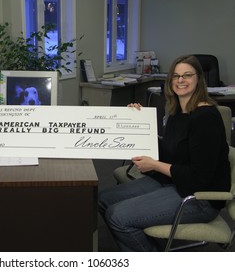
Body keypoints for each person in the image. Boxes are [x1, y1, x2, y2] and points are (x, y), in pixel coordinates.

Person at [98, 55, 231, 251]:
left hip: (199, 198)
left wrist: (155, 165)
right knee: (103, 199)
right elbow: (170, 152)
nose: (180, 80)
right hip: (173, 183)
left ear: (199, 79)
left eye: (187, 75)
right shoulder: (177, 111)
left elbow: (199, 178)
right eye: (175, 76)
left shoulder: (205, 118)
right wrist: (138, 122)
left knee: (117, 217)